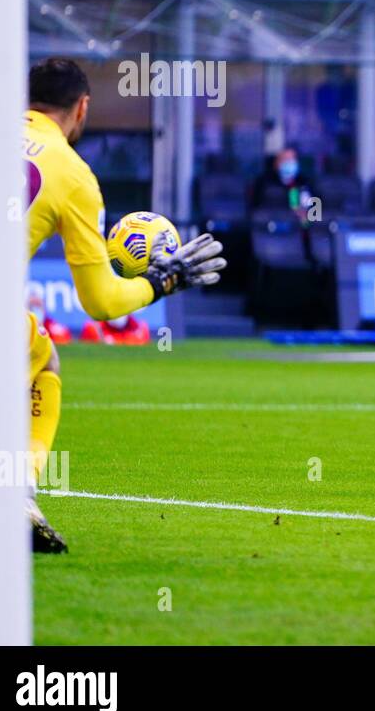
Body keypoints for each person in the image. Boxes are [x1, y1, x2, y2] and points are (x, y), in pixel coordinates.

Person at [24, 58, 227, 551]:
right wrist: (165, 281)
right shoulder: (71, 173)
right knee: (43, 360)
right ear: (83, 107)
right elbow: (101, 301)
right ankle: (16, 494)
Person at [252, 147, 315, 224]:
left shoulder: (304, 182)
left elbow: (313, 211)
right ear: (276, 163)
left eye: (292, 159)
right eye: (286, 160)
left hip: (296, 227)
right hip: (269, 225)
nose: (290, 163)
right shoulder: (263, 183)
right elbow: (255, 209)